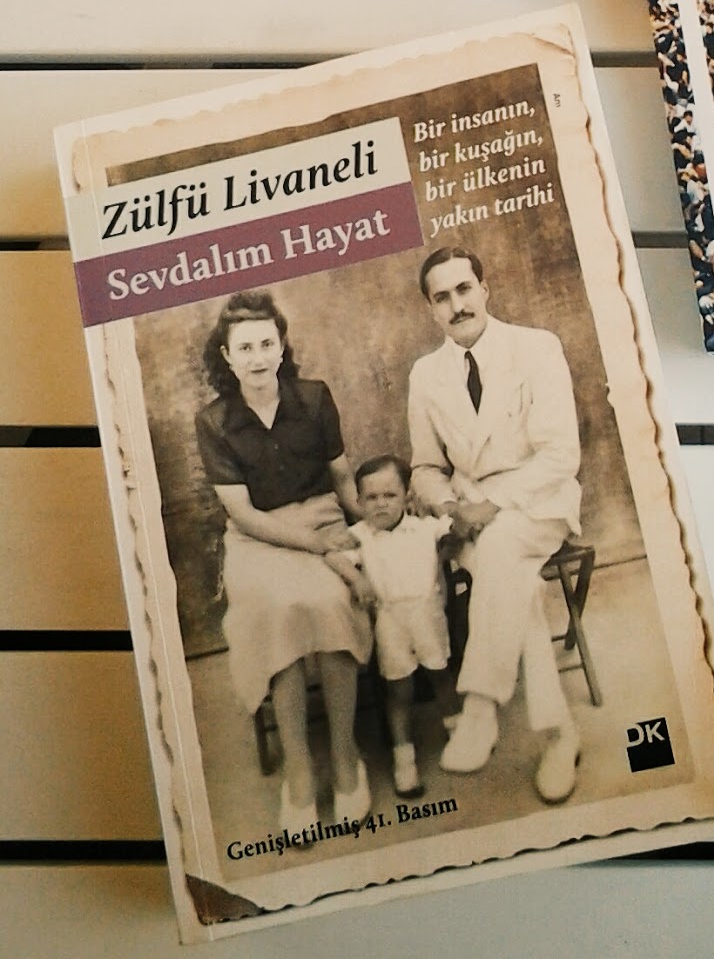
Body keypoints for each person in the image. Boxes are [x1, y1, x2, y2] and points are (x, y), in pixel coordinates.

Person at [406, 246, 583, 804]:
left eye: (464, 289)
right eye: (442, 297)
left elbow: (561, 455)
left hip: (539, 503)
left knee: (503, 547)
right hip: (471, 519)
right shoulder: (426, 375)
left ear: (485, 289)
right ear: (431, 308)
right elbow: (425, 467)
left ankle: (480, 705)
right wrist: (450, 508)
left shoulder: (536, 347)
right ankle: (559, 735)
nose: (457, 305)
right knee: (514, 581)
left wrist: (494, 504)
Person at [195, 291, 373, 837]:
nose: (257, 357)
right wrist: (321, 549)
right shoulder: (215, 421)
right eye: (245, 347)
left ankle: (345, 756)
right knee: (275, 609)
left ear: (281, 346)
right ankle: (299, 769)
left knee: (330, 600)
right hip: (260, 540)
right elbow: (244, 516)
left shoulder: (313, 398)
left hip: (321, 517)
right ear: (227, 357)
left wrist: (371, 528)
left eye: (266, 344)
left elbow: (340, 477)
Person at [324, 454, 456, 800]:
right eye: (371, 497)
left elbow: (453, 529)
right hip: (390, 622)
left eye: (390, 495)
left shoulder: (424, 527)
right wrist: (356, 579)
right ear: (358, 502)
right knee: (398, 691)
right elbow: (331, 555)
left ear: (406, 496)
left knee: (442, 676)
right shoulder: (359, 536)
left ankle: (459, 732)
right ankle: (404, 758)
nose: (381, 504)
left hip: (427, 615)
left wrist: (448, 537)